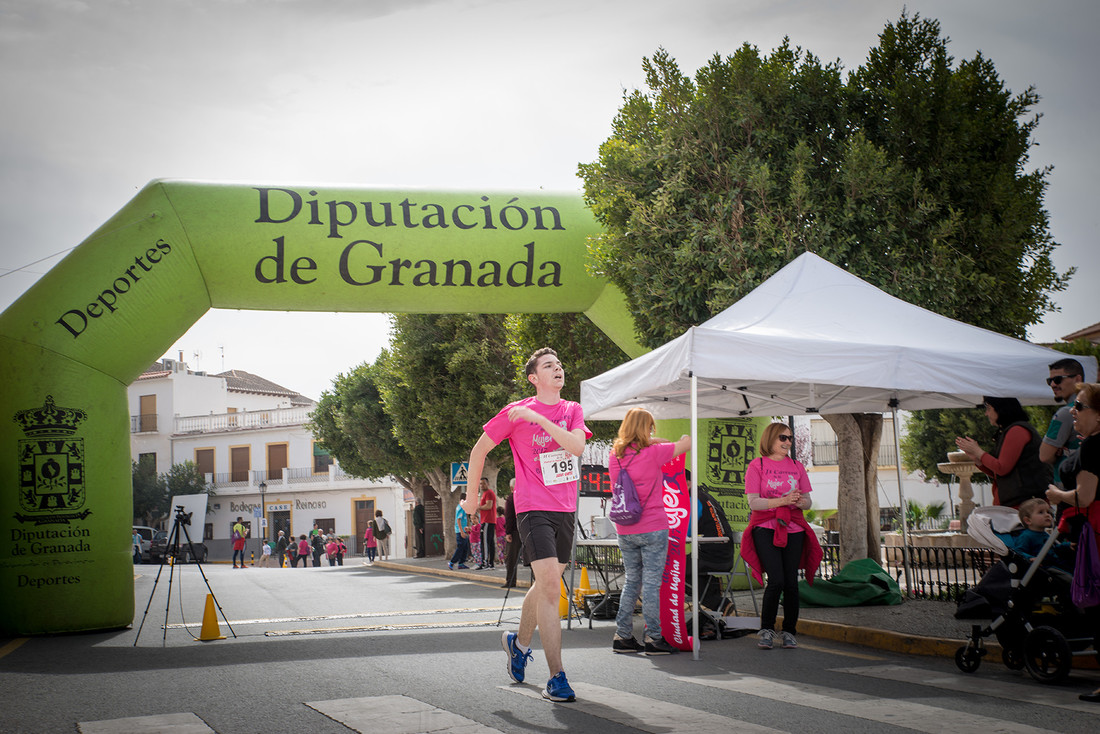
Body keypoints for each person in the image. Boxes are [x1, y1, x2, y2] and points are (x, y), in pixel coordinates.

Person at [461, 346, 590, 703]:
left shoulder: (572, 410)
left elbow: (577, 447)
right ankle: (557, 677)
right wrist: (471, 499)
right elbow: (478, 451)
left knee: (546, 586)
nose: (558, 368)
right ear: (535, 378)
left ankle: (518, 645)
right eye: (549, 365)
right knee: (550, 588)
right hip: (533, 508)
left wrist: (542, 421)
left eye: (560, 363)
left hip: (565, 509)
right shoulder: (515, 412)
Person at [608, 407, 691, 656]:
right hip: (653, 526)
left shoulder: (615, 455)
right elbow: (685, 443)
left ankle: (622, 636)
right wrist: (656, 439)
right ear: (647, 428)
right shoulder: (655, 453)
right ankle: (654, 639)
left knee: (632, 581)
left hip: (624, 527)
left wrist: (647, 439)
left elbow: (642, 445)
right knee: (652, 584)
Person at [741, 422, 823, 650]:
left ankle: (789, 631)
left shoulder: (797, 466)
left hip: (794, 528)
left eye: (789, 438)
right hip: (765, 529)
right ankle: (766, 629)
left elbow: (808, 501)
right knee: (775, 580)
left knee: (791, 584)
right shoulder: (756, 466)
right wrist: (783, 501)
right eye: (783, 438)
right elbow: (754, 502)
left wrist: (798, 501)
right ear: (770, 439)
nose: (788, 442)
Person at [1045, 382, 1100, 705]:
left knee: (1096, 604)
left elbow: (1084, 496)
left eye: (1080, 407)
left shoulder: (1093, 448)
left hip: (1095, 533)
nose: (1072, 412)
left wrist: (1056, 495)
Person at [956, 396, 1052, 507]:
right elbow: (1001, 473)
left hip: (1024, 505)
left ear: (1000, 409)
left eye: (988, 409)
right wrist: (977, 459)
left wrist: (979, 452)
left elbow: (1002, 468)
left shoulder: (1017, 430)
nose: (986, 414)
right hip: (1019, 504)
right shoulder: (1010, 430)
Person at [1041, 358, 1086, 489]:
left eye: (1058, 379)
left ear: (1077, 379)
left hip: (1070, 492)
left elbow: (1044, 455)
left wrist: (1058, 452)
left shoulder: (1066, 413)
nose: (1053, 385)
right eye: (1050, 381)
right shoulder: (1094, 407)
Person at [1009, 498, 1073, 570]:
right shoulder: (1026, 536)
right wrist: (1030, 558)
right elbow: (1018, 552)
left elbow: (1054, 549)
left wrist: (1067, 545)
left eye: (1048, 512)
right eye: (1041, 512)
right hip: (1045, 569)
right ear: (1028, 520)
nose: (1047, 515)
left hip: (1056, 564)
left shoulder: (1044, 534)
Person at [502, 480, 520, 588]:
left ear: (511, 488)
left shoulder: (511, 498)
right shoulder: (527, 496)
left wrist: (508, 532)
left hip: (515, 531)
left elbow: (509, 516)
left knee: (511, 558)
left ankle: (511, 581)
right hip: (528, 530)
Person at [477, 477, 498, 569]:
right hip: (488, 521)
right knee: (490, 543)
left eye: (483, 483)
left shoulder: (489, 493)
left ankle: (485, 563)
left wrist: (479, 507)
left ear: (488, 484)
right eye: (480, 484)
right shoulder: (485, 494)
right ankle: (490, 563)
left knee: (485, 542)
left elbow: (488, 506)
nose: (482, 485)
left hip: (487, 521)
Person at [449, 503, 471, 570]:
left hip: (464, 530)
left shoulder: (463, 508)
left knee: (465, 547)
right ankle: (452, 562)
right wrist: (461, 531)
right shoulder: (461, 507)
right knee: (460, 547)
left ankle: (461, 563)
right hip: (460, 531)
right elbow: (458, 520)